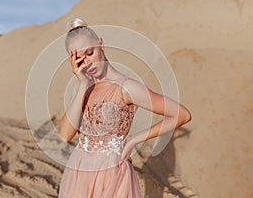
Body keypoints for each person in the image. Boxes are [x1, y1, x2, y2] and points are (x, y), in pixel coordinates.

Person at [58, 18, 191, 198]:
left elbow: (181, 115)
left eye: (90, 53)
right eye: (80, 59)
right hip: (79, 171)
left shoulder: (127, 87)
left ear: (101, 44)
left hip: (112, 173)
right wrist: (82, 84)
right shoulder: (82, 87)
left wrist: (133, 140)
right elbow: (65, 135)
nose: (88, 63)